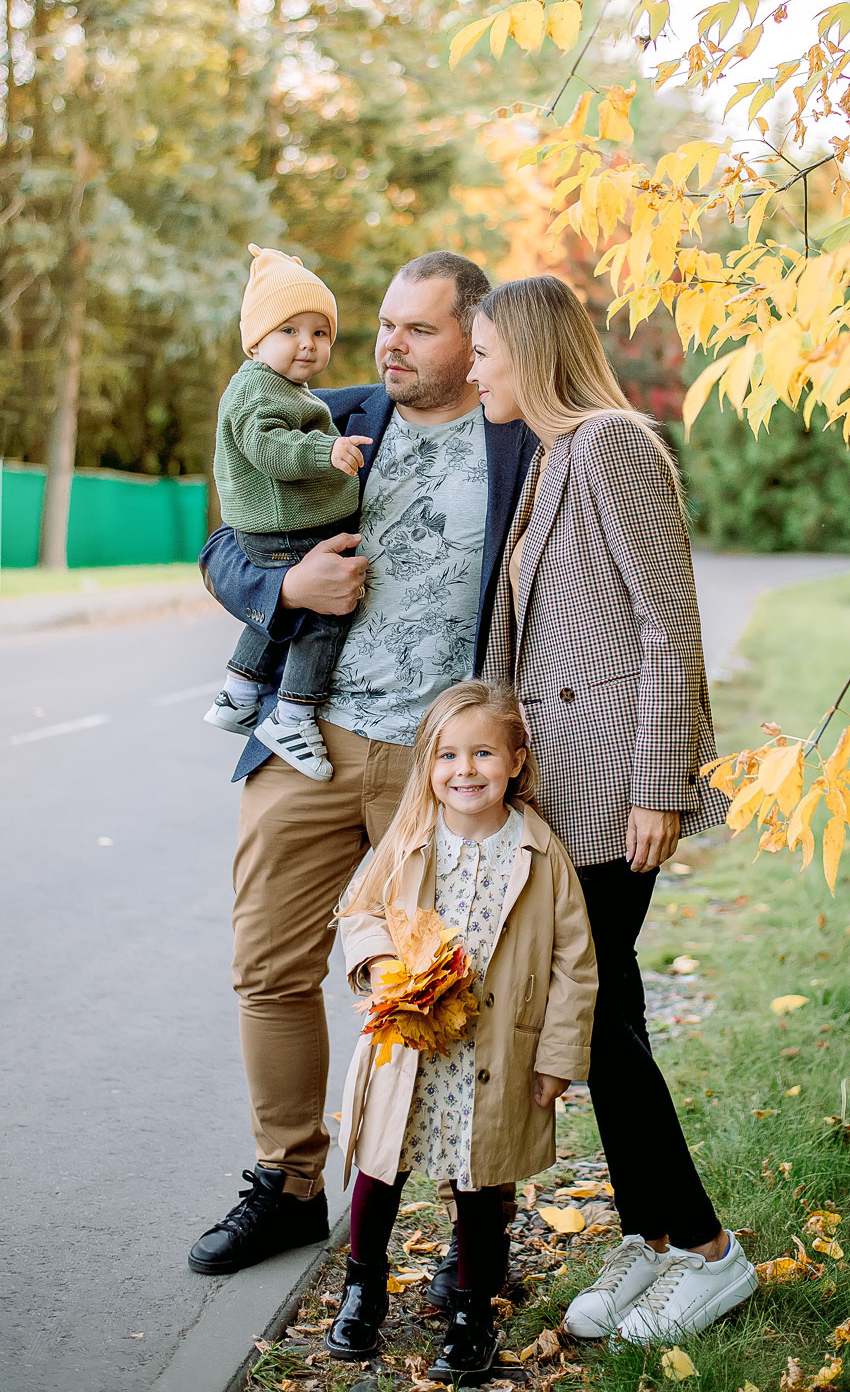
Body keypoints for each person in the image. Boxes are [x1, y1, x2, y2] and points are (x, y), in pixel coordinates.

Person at [188, 252, 536, 1278]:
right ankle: (289, 1184)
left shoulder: (523, 442)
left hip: (443, 768)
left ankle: (476, 1224)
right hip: (308, 739)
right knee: (268, 968)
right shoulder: (325, 417)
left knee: (450, 991)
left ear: (473, 338)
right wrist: (285, 586)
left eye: (418, 329)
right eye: (384, 324)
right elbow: (222, 545)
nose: (389, 345)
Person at [469, 275, 757, 1343]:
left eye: (485, 351)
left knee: (593, 1015)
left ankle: (709, 1251)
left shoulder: (612, 444)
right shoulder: (549, 456)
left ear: (531, 351)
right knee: (607, 1008)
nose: (473, 369)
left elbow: (665, 624)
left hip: (613, 788)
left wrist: (658, 783)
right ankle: (651, 1234)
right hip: (560, 787)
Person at [326, 680, 596, 1378]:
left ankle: (473, 1313)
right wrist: (383, 966)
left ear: (516, 760)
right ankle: (363, 1289)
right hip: (411, 1040)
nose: (464, 770)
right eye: (447, 755)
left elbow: (575, 962)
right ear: (428, 764)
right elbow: (360, 911)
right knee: (382, 1163)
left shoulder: (540, 853)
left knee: (480, 1178)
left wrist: (557, 1056)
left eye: (482, 753)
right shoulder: (409, 840)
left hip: (495, 1048)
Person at [205, 245, 374, 781]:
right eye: (289, 330)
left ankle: (238, 689)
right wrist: (325, 451)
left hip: (284, 527)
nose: (308, 343)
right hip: (284, 528)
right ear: (256, 341)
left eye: (320, 332)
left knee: (291, 600)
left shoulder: (285, 388)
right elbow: (268, 447)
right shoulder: (259, 389)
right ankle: (293, 715)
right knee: (323, 610)